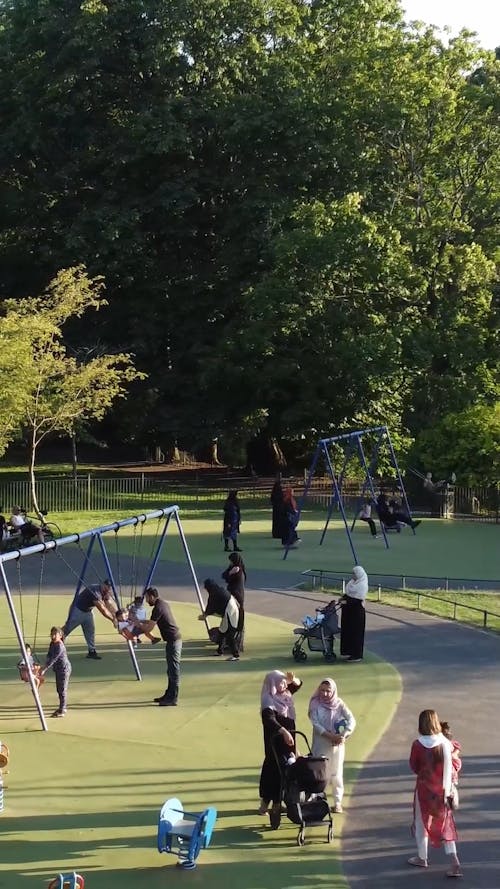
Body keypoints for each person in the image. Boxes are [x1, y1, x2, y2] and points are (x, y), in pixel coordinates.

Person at [408, 709, 462, 878]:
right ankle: (454, 861)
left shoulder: (418, 744)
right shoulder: (445, 743)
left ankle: (422, 857)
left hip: (424, 789)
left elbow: (414, 766)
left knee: (421, 822)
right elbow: (453, 763)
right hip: (443, 790)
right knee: (446, 823)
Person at [259, 669, 302, 821]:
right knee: (274, 769)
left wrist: (292, 679)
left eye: (285, 682)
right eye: (281, 682)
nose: (284, 685)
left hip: (288, 739)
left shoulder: (284, 694)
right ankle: (270, 804)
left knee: (286, 769)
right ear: (273, 684)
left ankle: (272, 803)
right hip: (275, 740)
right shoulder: (268, 699)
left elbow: (297, 685)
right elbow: (269, 720)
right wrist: (283, 731)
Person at [308, 678, 356, 814]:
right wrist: (330, 736)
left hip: (337, 746)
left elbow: (352, 720)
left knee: (336, 773)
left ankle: (337, 802)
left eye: (328, 691)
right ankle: (315, 800)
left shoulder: (339, 704)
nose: (324, 694)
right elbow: (315, 724)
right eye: (322, 690)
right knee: (318, 772)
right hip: (321, 743)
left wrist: (343, 735)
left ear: (333, 691)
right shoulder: (315, 704)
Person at [135, 587, 182, 706]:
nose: (146, 601)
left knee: (173, 670)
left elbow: (149, 628)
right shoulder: (162, 604)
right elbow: (151, 621)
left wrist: (138, 625)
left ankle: (173, 698)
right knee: (170, 670)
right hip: (172, 640)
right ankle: (168, 694)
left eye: (146, 598)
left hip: (174, 641)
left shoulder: (158, 608)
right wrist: (139, 621)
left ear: (151, 596)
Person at [62, 579, 117, 659]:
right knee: (67, 629)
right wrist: (113, 619)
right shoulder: (95, 591)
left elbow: (109, 604)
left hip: (88, 611)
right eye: (107, 586)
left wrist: (117, 615)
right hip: (77, 610)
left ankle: (92, 651)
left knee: (90, 631)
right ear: (103, 584)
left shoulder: (105, 592)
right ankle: (55, 647)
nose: (108, 588)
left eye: (110, 587)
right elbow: (103, 610)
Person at [40, 626, 72, 718]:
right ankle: (62, 707)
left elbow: (53, 659)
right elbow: (49, 655)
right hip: (58, 669)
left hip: (64, 670)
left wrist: (44, 669)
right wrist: (44, 664)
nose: (53, 636)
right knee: (59, 689)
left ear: (60, 635)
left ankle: (62, 709)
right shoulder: (52, 643)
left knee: (62, 690)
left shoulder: (60, 646)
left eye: (55, 634)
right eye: (52, 634)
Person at [340, 565, 368, 662]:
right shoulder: (352, 583)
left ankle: (356, 655)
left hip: (356, 613)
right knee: (348, 631)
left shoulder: (362, 585)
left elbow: (356, 600)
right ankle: (348, 651)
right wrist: (342, 599)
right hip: (348, 612)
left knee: (355, 633)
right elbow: (348, 595)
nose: (352, 575)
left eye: (354, 573)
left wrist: (344, 602)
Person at [222, 552, 246, 649]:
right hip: (234, 594)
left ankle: (236, 643)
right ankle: (231, 641)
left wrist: (230, 574)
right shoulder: (233, 568)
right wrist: (229, 573)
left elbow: (228, 578)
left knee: (234, 618)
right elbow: (224, 575)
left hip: (236, 596)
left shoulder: (238, 570)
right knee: (232, 618)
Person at [441, 720, 462, 809]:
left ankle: (451, 800)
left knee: (450, 788)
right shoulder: (445, 745)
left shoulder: (449, 744)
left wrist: (454, 755)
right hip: (447, 774)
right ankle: (451, 800)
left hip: (449, 773)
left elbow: (457, 749)